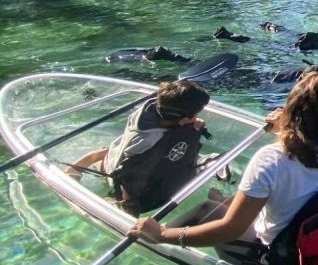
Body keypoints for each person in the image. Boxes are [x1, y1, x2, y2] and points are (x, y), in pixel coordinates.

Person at [129, 69, 318, 265]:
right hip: (307, 245)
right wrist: (284, 128)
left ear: (290, 110)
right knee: (231, 202)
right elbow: (302, 157)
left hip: (272, 259)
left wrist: (163, 236)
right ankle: (226, 204)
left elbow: (231, 229)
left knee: (206, 209)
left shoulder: (270, 158)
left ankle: (152, 235)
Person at [67, 78, 211, 216]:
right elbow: (127, 177)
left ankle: (83, 164)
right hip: (118, 169)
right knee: (107, 157)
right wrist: (129, 211)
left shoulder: (153, 107)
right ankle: (72, 171)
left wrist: (189, 122)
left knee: (111, 151)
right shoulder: (148, 143)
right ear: (183, 118)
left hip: (121, 148)